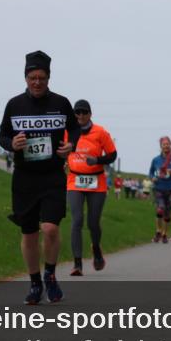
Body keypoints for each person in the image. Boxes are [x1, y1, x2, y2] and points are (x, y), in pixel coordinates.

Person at [0, 51, 78, 305]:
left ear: (48, 78)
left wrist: (71, 145)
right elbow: (2, 135)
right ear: (26, 78)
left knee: (50, 228)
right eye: (32, 78)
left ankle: (50, 275)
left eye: (42, 78)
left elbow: (75, 129)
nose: (37, 82)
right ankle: (35, 283)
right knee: (29, 233)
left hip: (52, 175)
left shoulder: (61, 103)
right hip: (25, 177)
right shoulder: (14, 105)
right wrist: (12, 144)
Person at [65, 99, 117, 275]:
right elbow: (60, 149)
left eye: (84, 112)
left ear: (90, 114)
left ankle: (96, 248)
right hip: (74, 180)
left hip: (96, 181)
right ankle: (77, 264)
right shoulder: (67, 132)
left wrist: (97, 160)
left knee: (93, 223)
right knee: (77, 220)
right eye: (77, 112)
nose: (80, 115)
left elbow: (112, 155)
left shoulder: (100, 132)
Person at [147, 136, 171, 243]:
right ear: (161, 146)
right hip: (159, 188)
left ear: (170, 145)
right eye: (164, 144)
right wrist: (152, 178)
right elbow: (151, 172)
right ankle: (158, 230)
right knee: (160, 209)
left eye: (168, 144)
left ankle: (164, 234)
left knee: (167, 212)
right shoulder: (156, 160)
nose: (166, 146)